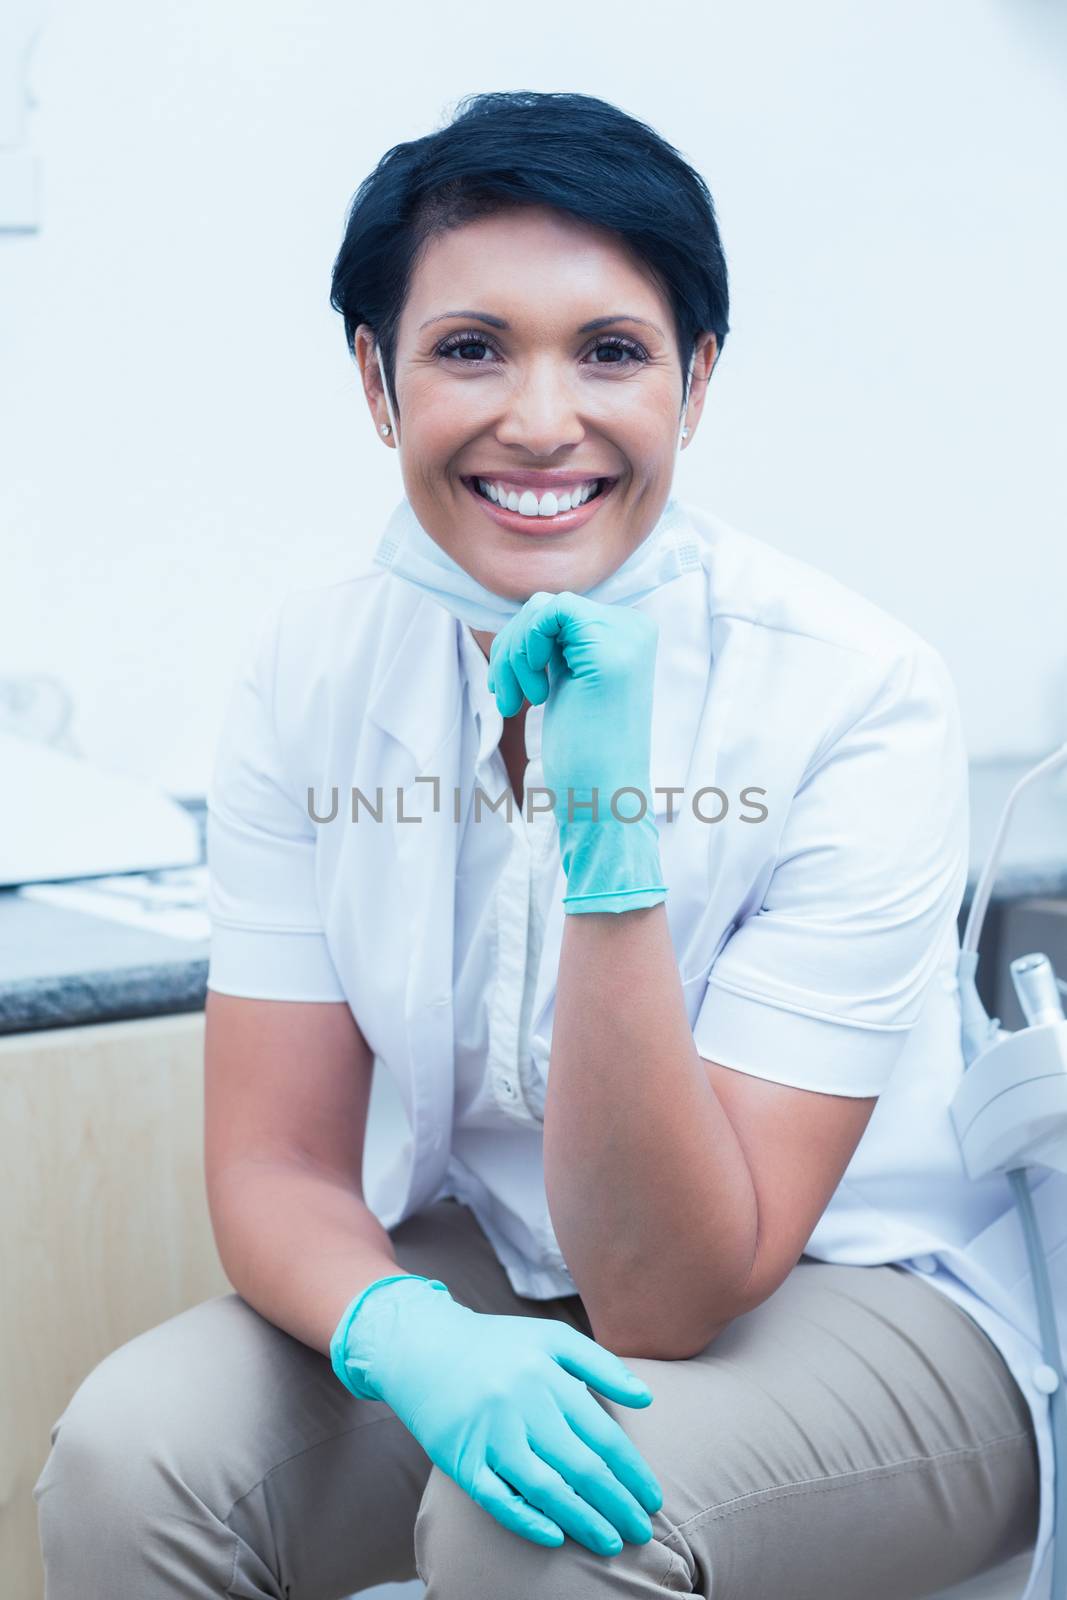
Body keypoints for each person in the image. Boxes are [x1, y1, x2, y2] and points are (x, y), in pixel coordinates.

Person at [34, 90, 1050, 1600]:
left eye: (612, 352)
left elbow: (666, 1295)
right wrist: (411, 1338)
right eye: (469, 348)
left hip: (860, 1292)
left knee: (541, 1537)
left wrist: (606, 844)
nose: (541, 417)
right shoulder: (311, 675)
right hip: (496, 1265)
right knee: (135, 1459)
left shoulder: (855, 694)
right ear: (376, 380)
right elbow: (279, 1162)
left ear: (696, 384)